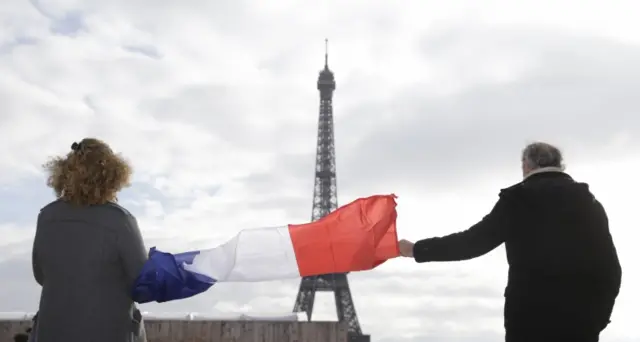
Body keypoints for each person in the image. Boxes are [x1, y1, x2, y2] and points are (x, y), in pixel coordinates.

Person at [398, 142, 622, 342]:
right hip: (581, 321)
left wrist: (417, 249)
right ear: (560, 165)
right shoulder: (590, 204)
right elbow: (612, 269)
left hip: (530, 320)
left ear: (527, 165)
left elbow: (472, 242)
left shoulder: (519, 200)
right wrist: (597, 319)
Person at [32, 138, 148, 342]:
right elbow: (141, 281)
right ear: (113, 175)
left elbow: (40, 275)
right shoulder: (120, 220)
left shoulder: (46, 217)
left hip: (53, 332)